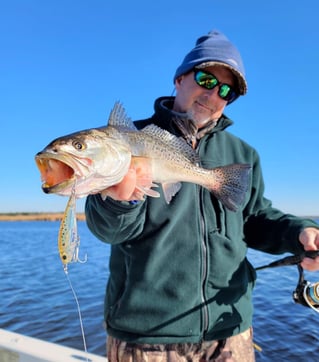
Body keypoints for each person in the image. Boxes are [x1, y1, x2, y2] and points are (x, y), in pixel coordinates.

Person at [85, 29, 319, 361]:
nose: (214, 95)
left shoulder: (242, 154)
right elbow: (107, 229)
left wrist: (301, 234)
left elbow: (254, 219)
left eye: (227, 91)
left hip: (230, 331)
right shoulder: (127, 141)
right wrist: (120, 200)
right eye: (207, 80)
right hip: (146, 337)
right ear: (180, 78)